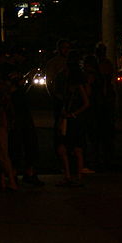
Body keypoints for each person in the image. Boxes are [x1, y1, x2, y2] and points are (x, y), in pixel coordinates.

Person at [0, 44, 44, 186]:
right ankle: (14, 171)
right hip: (13, 109)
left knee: (29, 140)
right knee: (15, 141)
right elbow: (9, 88)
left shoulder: (17, 69)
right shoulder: (6, 70)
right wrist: (25, 79)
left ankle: (26, 170)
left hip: (21, 107)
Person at [53, 49, 90, 187]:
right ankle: (74, 176)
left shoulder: (74, 85)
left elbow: (86, 102)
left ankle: (72, 176)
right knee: (72, 148)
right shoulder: (72, 83)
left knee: (70, 148)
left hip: (73, 118)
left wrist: (73, 113)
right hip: (72, 118)